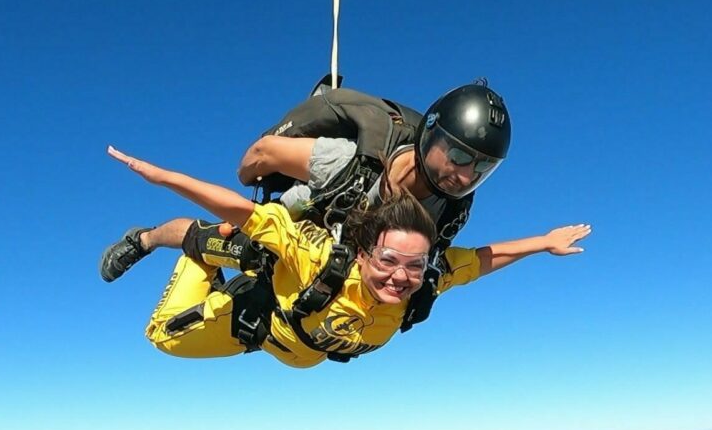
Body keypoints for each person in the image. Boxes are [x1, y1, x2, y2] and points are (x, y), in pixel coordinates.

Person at [105, 145, 591, 368]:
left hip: (296, 337)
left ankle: (221, 252)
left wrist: (543, 243)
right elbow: (238, 206)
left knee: (245, 242)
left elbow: (482, 260)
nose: (400, 277)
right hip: (258, 317)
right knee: (164, 334)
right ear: (361, 255)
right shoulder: (318, 257)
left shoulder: (424, 282)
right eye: (388, 261)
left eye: (414, 266)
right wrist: (164, 177)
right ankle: (156, 240)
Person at [101, 80, 512, 332]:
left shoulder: (450, 208)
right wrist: (250, 181)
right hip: (299, 222)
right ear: (430, 136)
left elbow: (438, 261)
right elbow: (264, 151)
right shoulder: (348, 159)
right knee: (213, 238)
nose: (465, 175)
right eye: (458, 157)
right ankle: (145, 239)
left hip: (334, 259)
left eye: (482, 168)